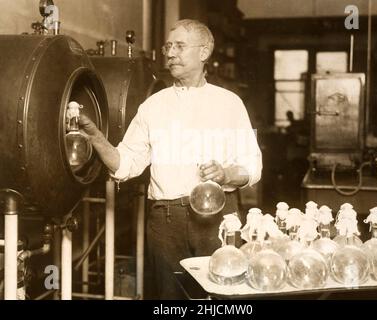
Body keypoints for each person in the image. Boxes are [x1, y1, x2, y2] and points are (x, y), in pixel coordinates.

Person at [79, 19, 262, 299]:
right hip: (165, 220)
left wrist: (225, 174)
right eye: (168, 46)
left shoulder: (229, 103)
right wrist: (95, 137)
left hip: (217, 219)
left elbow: (253, 165)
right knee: (169, 299)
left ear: (204, 52)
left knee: (221, 298)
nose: (170, 53)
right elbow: (126, 163)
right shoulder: (154, 105)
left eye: (179, 46)